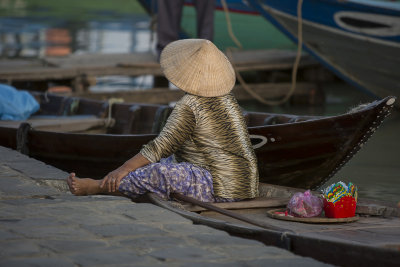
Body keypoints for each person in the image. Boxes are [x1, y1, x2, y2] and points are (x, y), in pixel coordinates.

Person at [67, 39, 259, 202]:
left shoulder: (189, 104)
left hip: (219, 189)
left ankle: (98, 186)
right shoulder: (228, 98)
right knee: (163, 162)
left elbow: (159, 147)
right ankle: (112, 183)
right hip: (247, 185)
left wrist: (122, 169)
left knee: (159, 172)